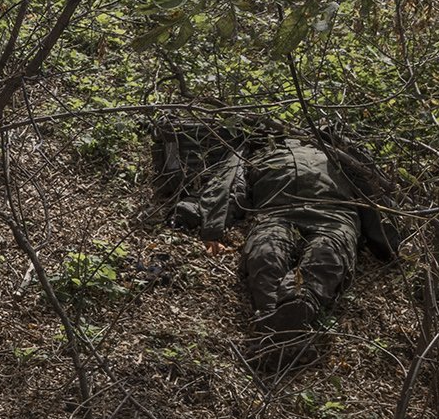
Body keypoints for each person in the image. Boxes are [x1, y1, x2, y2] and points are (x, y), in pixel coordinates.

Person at [159, 125, 398, 363]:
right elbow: (231, 186)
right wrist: (201, 216)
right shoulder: (256, 151)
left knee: (326, 257)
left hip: (333, 214)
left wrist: (387, 237)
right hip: (276, 213)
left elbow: (370, 186)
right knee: (264, 256)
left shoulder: (335, 149)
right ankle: (279, 325)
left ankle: (295, 312)